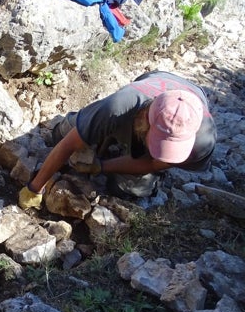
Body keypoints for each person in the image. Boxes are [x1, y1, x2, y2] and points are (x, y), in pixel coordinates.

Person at [19, 71, 217, 209]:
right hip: (153, 83)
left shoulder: (202, 143)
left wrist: (101, 167)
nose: (164, 149)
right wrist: (34, 188)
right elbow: (69, 144)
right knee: (61, 134)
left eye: (171, 145)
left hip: (190, 92)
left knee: (127, 189)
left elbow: (153, 163)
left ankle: (118, 149)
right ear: (145, 122)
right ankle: (97, 129)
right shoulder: (119, 107)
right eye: (159, 141)